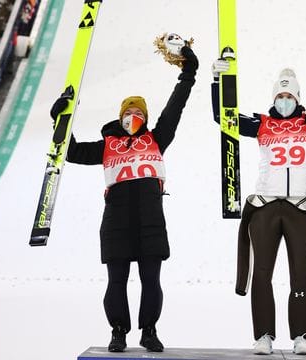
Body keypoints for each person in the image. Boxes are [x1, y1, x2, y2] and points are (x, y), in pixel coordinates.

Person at [49, 46, 198, 353]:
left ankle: (149, 331)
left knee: (151, 280)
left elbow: (176, 107)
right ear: (120, 117)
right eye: (129, 113)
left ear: (146, 118)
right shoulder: (108, 144)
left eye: (140, 113)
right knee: (116, 281)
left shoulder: (157, 138)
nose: (134, 117)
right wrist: (59, 119)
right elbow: (71, 151)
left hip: (150, 221)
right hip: (116, 221)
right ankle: (118, 330)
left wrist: (188, 74)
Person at [211, 58, 306, 355]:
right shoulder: (262, 124)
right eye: (280, 97)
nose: (285, 101)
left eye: (289, 97)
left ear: (297, 99)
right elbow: (224, 118)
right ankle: (263, 336)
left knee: (301, 272)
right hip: (266, 205)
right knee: (262, 272)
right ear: (273, 98)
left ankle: (301, 335)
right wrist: (217, 83)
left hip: (300, 206)